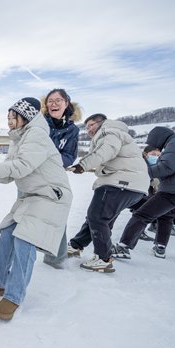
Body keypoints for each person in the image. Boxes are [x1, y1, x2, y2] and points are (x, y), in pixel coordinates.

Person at [0, 97, 72, 320]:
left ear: (25, 117)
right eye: (7, 117)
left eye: (13, 116)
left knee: (24, 241)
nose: (9, 121)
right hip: (30, 196)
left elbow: (22, 165)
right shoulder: (18, 139)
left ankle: (14, 295)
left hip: (50, 196)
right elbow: (10, 174)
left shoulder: (36, 134)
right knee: (7, 234)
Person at [67, 114, 149, 272]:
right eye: (86, 127)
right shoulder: (118, 134)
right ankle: (76, 246)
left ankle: (103, 259)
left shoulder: (109, 132)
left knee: (97, 217)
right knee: (98, 217)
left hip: (120, 182)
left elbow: (106, 151)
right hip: (132, 185)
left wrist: (83, 164)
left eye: (90, 125)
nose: (88, 129)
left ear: (101, 123)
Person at [114, 127, 175, 259]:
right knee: (166, 216)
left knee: (142, 215)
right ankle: (160, 247)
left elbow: (167, 167)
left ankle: (123, 247)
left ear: (159, 138)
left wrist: (138, 173)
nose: (157, 148)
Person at [40, 89, 81, 267]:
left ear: (66, 104)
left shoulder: (72, 129)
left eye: (58, 100)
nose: (54, 104)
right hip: (31, 174)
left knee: (57, 215)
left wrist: (50, 159)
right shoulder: (39, 123)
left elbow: (69, 156)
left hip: (55, 176)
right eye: (50, 101)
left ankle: (56, 258)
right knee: (25, 214)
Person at [128, 145, 161, 242]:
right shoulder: (140, 164)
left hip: (147, 194)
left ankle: (140, 231)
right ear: (145, 154)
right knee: (142, 213)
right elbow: (153, 180)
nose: (156, 157)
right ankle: (137, 233)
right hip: (138, 193)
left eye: (159, 155)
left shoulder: (156, 164)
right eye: (153, 154)